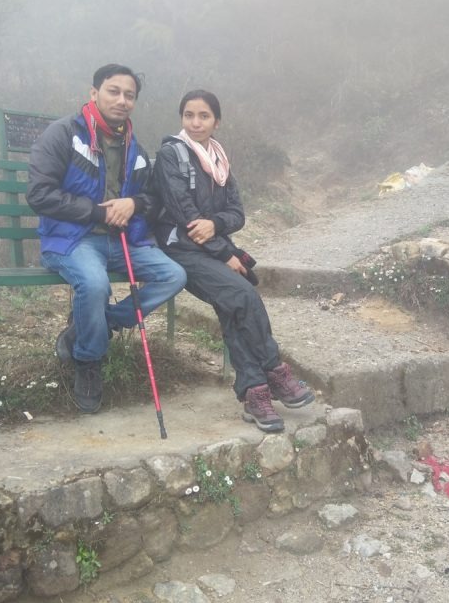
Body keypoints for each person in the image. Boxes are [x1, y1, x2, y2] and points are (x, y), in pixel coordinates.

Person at [26, 64, 187, 414]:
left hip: (123, 242)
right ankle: (89, 359)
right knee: (95, 285)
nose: (122, 100)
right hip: (71, 240)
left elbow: (153, 199)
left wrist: (134, 203)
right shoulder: (63, 134)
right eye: (113, 91)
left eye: (129, 95)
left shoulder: (134, 148)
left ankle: (98, 322)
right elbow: (39, 194)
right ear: (93, 93)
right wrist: (98, 212)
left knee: (174, 275)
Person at [152, 90, 313, 433]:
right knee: (242, 295)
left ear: (216, 121)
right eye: (189, 115)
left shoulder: (220, 161)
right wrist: (224, 253)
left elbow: (237, 214)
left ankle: (254, 394)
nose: (195, 122)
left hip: (212, 245)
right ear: (181, 118)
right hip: (180, 248)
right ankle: (273, 371)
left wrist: (218, 228)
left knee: (234, 300)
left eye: (204, 116)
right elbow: (185, 215)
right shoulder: (172, 155)